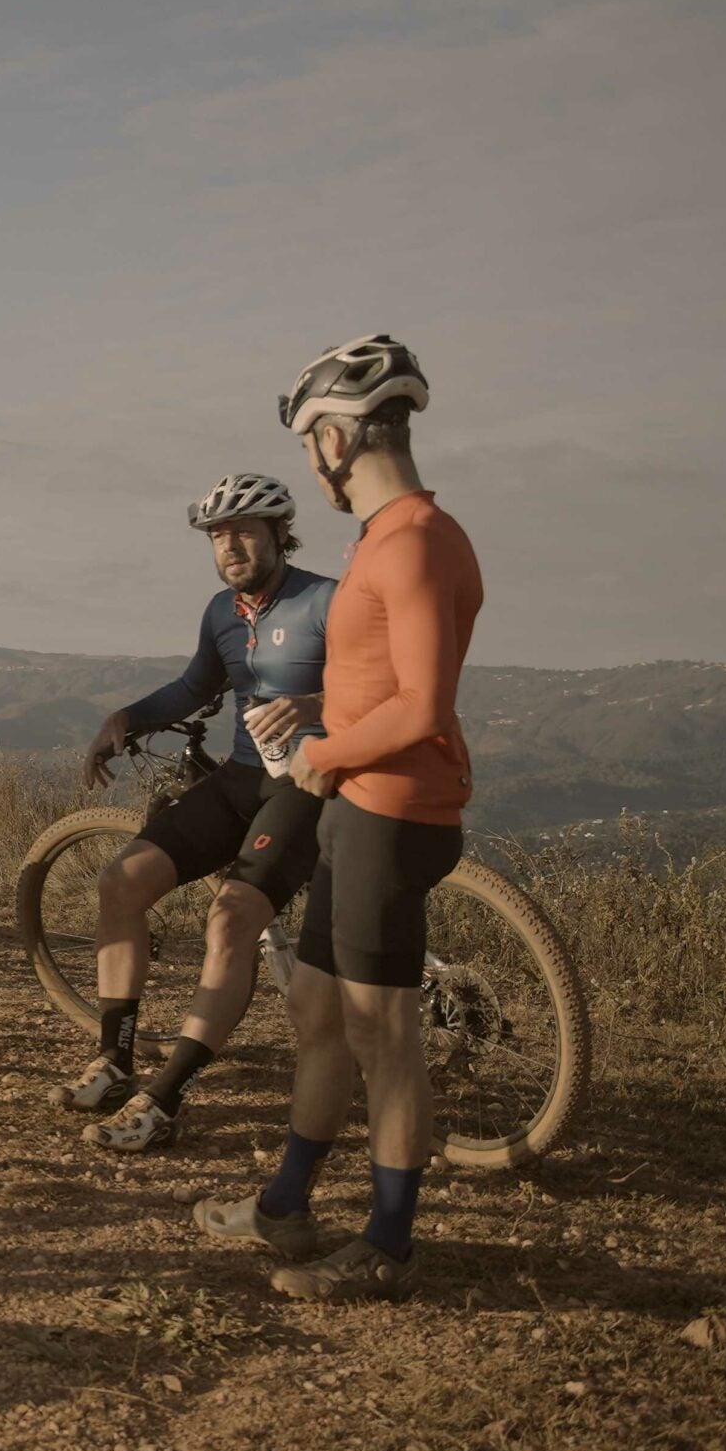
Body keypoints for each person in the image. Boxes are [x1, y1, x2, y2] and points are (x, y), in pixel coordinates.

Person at [193, 334, 482, 1302]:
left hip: (390, 811)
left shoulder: (415, 543)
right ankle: (286, 1205)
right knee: (317, 1011)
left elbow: (424, 707)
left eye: (312, 435)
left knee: (381, 1033)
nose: (310, 457)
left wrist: (321, 752)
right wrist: (327, 737)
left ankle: (391, 1244)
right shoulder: (383, 540)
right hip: (350, 803)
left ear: (338, 433)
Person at [57, 474, 335, 1151]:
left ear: (278, 533)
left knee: (231, 916)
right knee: (121, 881)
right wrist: (125, 718)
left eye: (245, 530)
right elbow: (193, 687)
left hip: (313, 782)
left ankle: (166, 1095)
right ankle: (117, 1061)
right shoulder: (221, 612)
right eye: (218, 535)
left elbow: (382, 688)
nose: (230, 545)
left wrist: (315, 708)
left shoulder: (326, 600)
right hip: (245, 777)